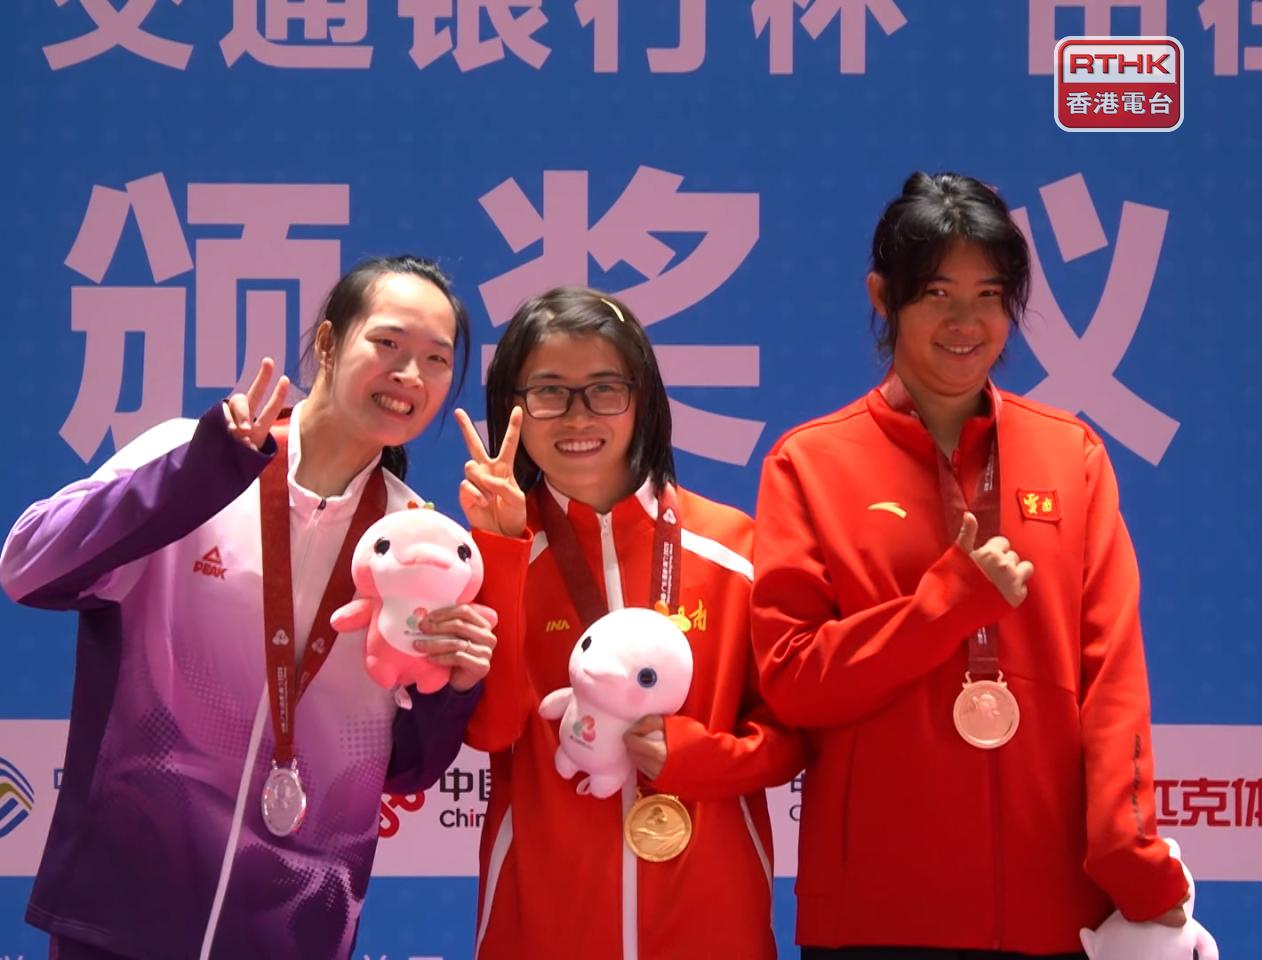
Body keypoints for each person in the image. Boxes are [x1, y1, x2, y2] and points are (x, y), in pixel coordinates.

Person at [1, 255, 510, 960]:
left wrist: (453, 689)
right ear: (329, 344)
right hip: (123, 910)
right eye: (388, 344)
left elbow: (408, 769)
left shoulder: (419, 544)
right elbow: (29, 569)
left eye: (435, 359)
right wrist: (196, 480)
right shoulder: (191, 456)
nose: (409, 375)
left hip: (294, 931)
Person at [750, 172, 1190, 959]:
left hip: (1055, 917)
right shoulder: (810, 462)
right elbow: (794, 680)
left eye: (990, 295)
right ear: (883, 296)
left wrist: (1137, 866)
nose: (967, 322)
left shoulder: (1071, 454)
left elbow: (1113, 682)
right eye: (938, 294)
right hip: (875, 918)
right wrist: (947, 603)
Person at [452, 286, 805, 960]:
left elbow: (794, 735)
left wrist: (705, 758)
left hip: (712, 923)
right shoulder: (490, 552)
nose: (578, 416)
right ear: (514, 408)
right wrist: (499, 556)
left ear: (641, 397)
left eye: (604, 389)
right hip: (544, 926)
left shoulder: (733, 550)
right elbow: (490, 729)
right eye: (550, 391)